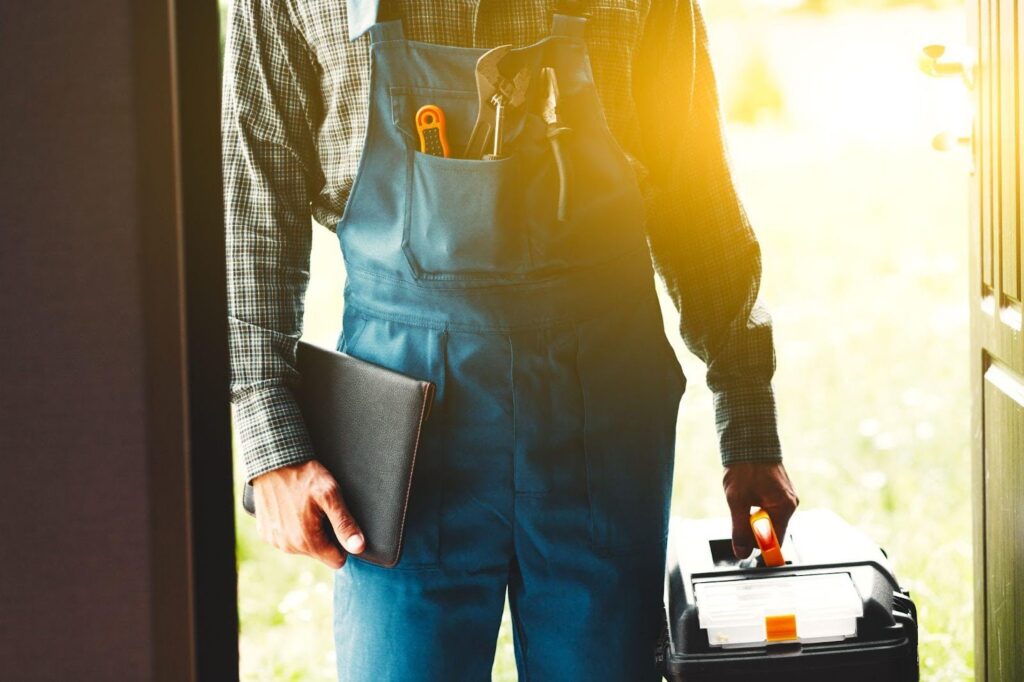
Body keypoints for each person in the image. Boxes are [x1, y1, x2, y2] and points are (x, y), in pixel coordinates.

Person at [223, 0, 799, 679]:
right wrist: (270, 441)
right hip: (400, 440)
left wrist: (749, 422)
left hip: (602, 422)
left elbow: (695, 198)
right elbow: (256, 210)